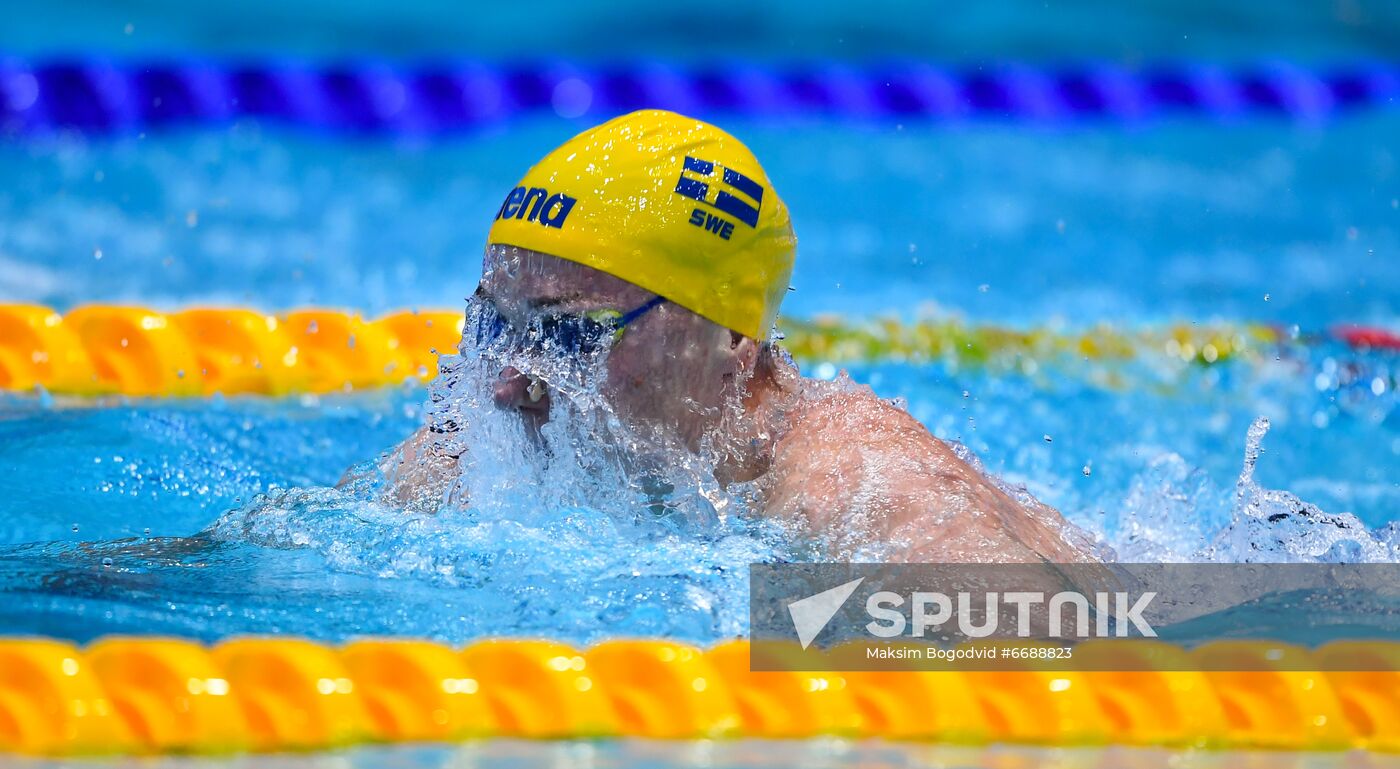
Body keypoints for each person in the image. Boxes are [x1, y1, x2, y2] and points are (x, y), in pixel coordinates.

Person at [376, 109, 1098, 565]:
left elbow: (1068, 696)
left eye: (571, 334)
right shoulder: (469, 454)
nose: (509, 382)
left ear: (729, 335)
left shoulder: (854, 492)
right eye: (496, 325)